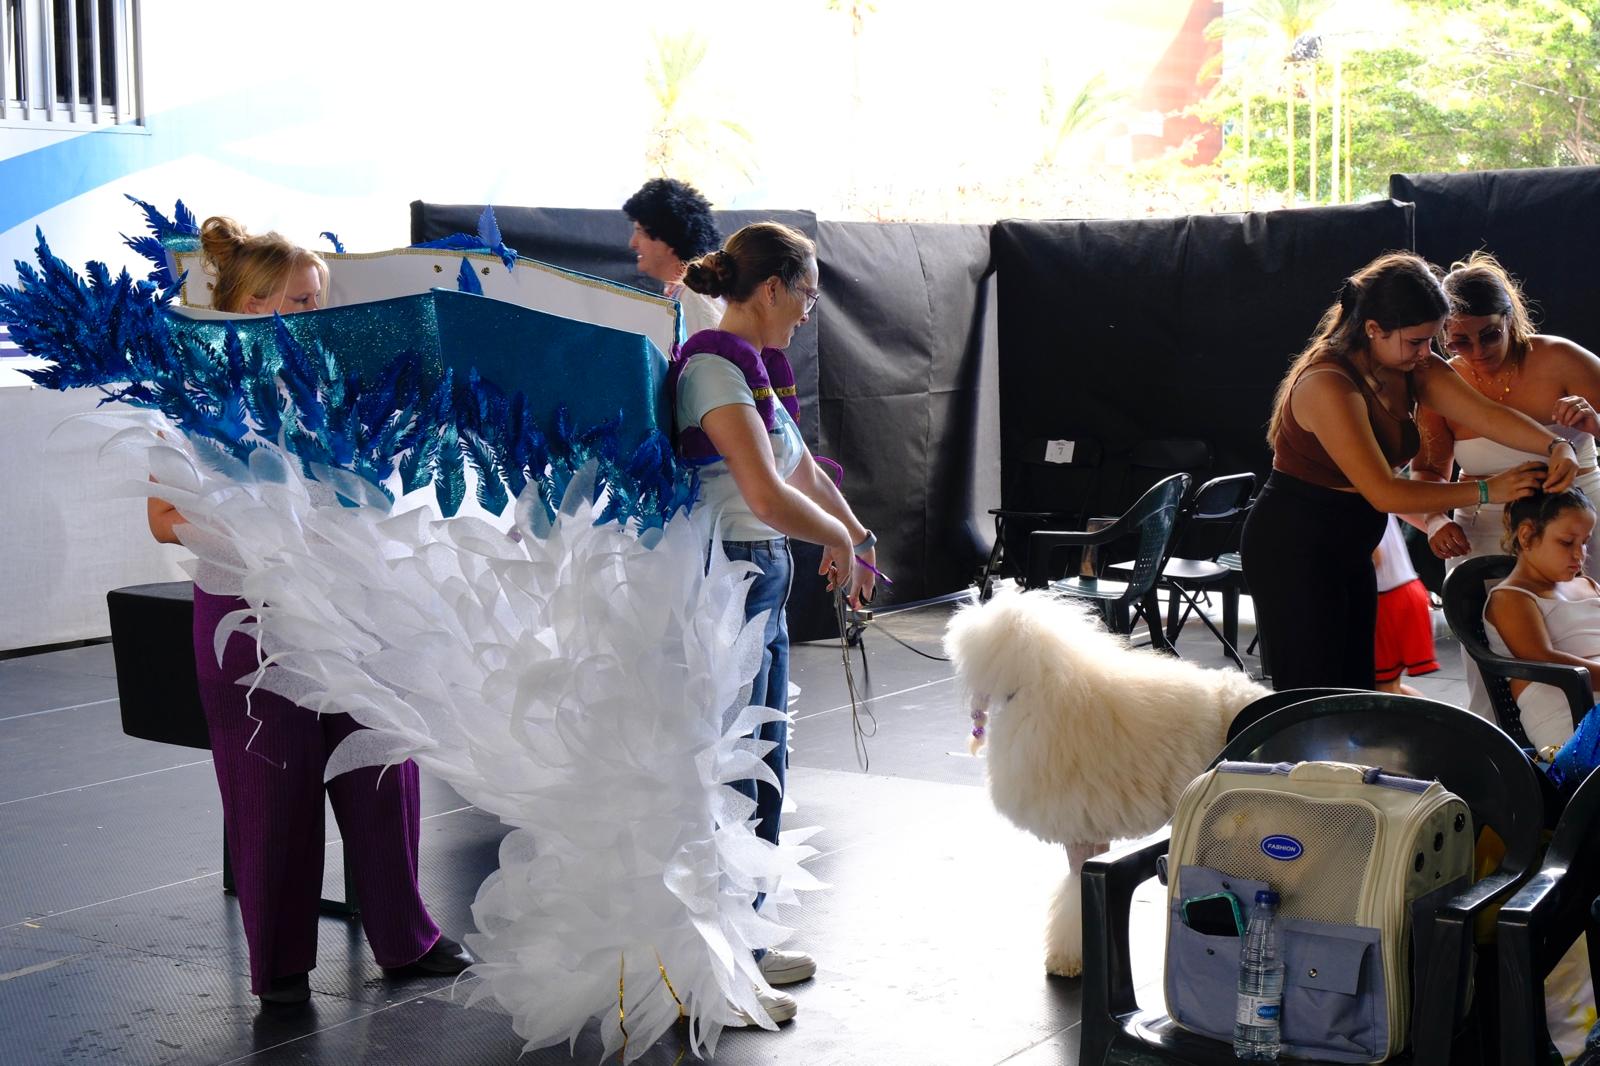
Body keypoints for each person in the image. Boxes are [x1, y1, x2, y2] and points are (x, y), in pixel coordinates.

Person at [148, 216, 469, 1006]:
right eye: (299, 299)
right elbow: (162, 517)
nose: (315, 314)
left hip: (350, 604)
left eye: (318, 299)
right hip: (248, 618)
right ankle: (281, 968)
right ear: (252, 305)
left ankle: (406, 938)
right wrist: (260, 526)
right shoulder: (194, 390)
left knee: (386, 764)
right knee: (271, 789)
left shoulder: (338, 384)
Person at [670, 221, 876, 1022]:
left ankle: (746, 943)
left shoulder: (753, 366)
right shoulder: (713, 365)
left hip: (764, 573)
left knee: (765, 764)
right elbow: (761, 493)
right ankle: (716, 965)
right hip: (730, 573)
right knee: (729, 768)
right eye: (807, 296)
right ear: (770, 290)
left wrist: (852, 533)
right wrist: (835, 537)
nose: (807, 312)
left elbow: (797, 469)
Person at [1242, 251, 1578, 691]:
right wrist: (1485, 491)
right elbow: (1385, 493)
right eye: (1416, 341)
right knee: (1310, 691)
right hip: (1294, 545)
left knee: (1355, 686)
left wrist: (1557, 444)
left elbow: (1484, 414)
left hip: (1349, 543)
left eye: (1433, 341)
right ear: (1373, 329)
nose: (1427, 354)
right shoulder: (1328, 383)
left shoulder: (1410, 366)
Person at [1411, 253, 1600, 715]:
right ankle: (1506, 756)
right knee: (1496, 654)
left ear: (1509, 316)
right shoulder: (1442, 383)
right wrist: (1435, 521)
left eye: (1489, 334)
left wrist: (1594, 422)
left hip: (1580, 523)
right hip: (1485, 531)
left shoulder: (1561, 357)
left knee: (1583, 632)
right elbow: (1427, 473)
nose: (1477, 352)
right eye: (1459, 341)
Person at [1483, 489, 1600, 751]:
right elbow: (1543, 658)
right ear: (1526, 536)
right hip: (1573, 725)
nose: (1579, 555)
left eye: (1585, 542)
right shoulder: (1512, 598)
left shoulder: (1587, 585)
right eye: (1567, 542)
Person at [622, 177, 726, 339]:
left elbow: (713, 360)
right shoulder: (684, 295)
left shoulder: (694, 298)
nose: (633, 243)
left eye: (641, 232)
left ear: (669, 239)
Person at [1372, 514, 1439, 696]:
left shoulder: (1350, 495)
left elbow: (1373, 556)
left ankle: (1440, 723)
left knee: (1383, 692)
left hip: (1387, 598)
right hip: (1402, 589)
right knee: (1389, 689)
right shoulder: (1373, 491)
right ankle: (1440, 722)